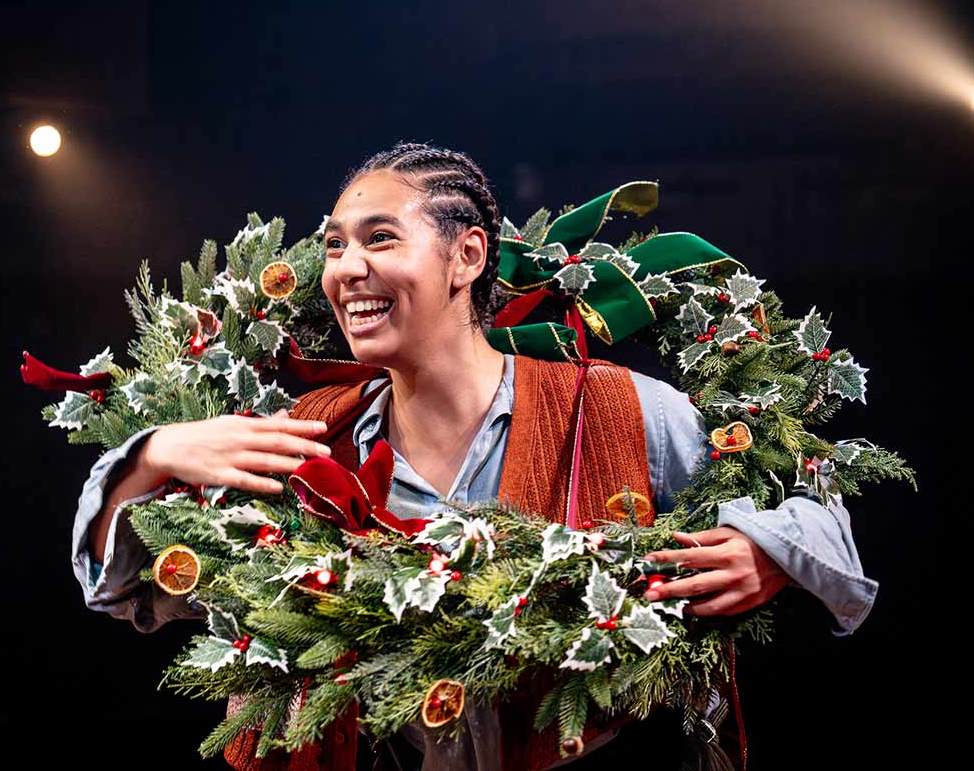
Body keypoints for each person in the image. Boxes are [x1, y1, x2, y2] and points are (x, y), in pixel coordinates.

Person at [72, 142, 878, 770]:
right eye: (334, 246)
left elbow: (810, 501)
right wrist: (152, 455)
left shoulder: (620, 409)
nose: (347, 269)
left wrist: (765, 549)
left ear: (467, 257)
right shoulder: (300, 438)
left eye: (380, 238)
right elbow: (122, 586)